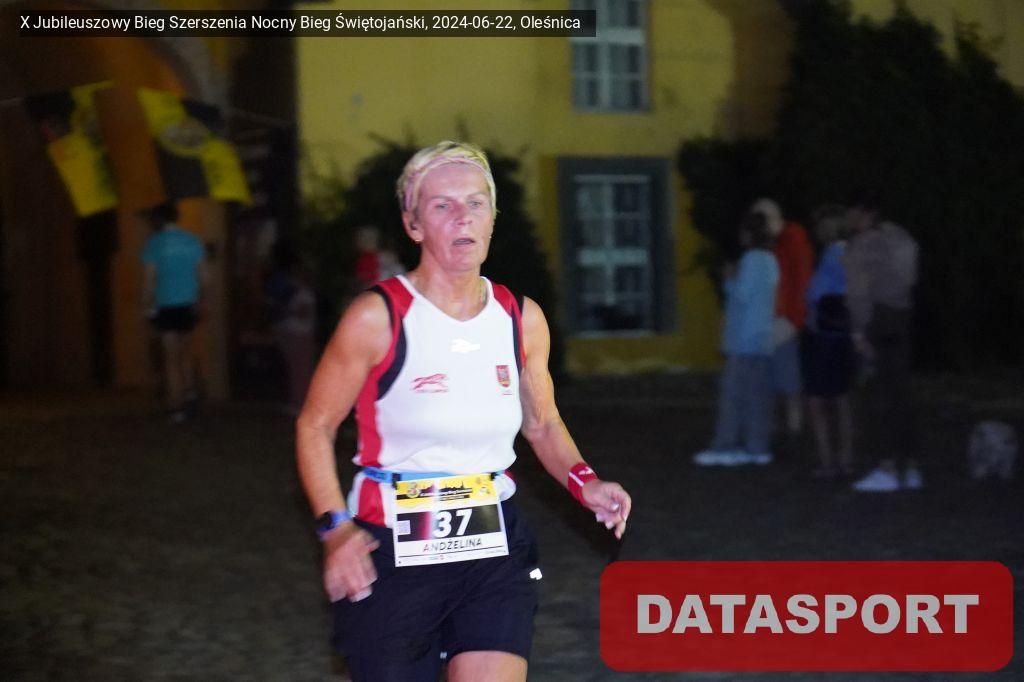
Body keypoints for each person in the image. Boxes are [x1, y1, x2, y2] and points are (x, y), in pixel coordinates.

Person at [295, 141, 631, 682]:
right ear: (413, 225)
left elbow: (542, 423)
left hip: (492, 546)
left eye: (475, 203)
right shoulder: (378, 317)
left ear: (493, 218)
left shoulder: (520, 318)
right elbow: (315, 425)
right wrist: (336, 530)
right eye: (442, 205)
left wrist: (584, 481)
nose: (462, 217)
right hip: (393, 549)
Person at [844, 191, 921, 492]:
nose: (848, 218)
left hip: (876, 321)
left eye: (852, 212)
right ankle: (910, 467)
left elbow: (858, 292)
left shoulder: (861, 245)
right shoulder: (900, 237)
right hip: (900, 317)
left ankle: (886, 466)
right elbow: (910, 278)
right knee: (901, 394)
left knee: (876, 395)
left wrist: (858, 332)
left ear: (865, 213)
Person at [694, 209, 779, 466]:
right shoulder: (771, 260)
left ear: (747, 234)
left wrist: (729, 279)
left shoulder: (751, 260)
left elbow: (742, 295)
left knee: (733, 396)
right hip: (763, 338)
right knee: (757, 397)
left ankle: (726, 444)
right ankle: (757, 445)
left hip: (744, 340)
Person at [751, 198, 814, 440]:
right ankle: (781, 427)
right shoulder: (775, 245)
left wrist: (795, 320)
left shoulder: (791, 239)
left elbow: (800, 280)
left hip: (784, 321)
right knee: (776, 380)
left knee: (787, 381)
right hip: (776, 320)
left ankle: (791, 428)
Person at [802, 205, 856, 479]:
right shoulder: (845, 253)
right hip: (840, 333)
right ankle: (844, 458)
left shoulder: (835, 254)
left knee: (818, 399)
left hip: (826, 334)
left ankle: (828, 460)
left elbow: (820, 292)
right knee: (841, 398)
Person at [141, 202, 208, 423]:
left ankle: (176, 405)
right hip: (189, 303)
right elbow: (203, 276)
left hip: (166, 304)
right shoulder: (192, 241)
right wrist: (203, 300)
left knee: (170, 358)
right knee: (186, 351)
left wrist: (145, 305)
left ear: (158, 220)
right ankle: (190, 392)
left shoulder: (154, 244)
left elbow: (149, 280)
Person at [265, 242, 318, 414]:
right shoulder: (298, 288)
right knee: (299, 367)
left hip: (294, 330)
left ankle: (300, 403)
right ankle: (300, 402)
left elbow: (301, 311)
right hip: (297, 330)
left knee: (298, 368)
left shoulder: (291, 287)